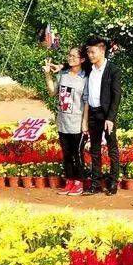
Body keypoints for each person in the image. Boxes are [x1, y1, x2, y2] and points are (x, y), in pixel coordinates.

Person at [43, 47, 89, 196]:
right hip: (63, 122)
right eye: (69, 55)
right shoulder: (63, 75)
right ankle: (69, 181)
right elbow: (52, 92)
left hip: (77, 123)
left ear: (82, 60)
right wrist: (47, 75)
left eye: (74, 56)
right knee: (67, 154)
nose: (70, 58)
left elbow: (87, 103)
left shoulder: (85, 78)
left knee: (77, 154)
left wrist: (84, 123)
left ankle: (79, 183)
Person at [84, 37, 122, 195]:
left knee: (112, 148)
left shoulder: (113, 70)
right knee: (94, 149)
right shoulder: (88, 68)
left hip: (107, 115)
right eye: (88, 52)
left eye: (92, 52)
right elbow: (72, 65)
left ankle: (113, 181)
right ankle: (96, 182)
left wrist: (111, 118)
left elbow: (116, 95)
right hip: (93, 113)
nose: (90, 55)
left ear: (102, 51)